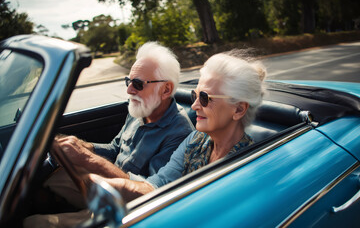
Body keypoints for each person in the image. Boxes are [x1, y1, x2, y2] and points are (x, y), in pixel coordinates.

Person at [23, 42, 194, 228]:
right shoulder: (140, 109)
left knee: (34, 223)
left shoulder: (179, 133)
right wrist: (84, 147)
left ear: (166, 90)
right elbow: (115, 148)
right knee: (39, 179)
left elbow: (145, 191)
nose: (129, 90)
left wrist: (88, 159)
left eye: (137, 84)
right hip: (105, 184)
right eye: (128, 81)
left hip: (128, 207)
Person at [94, 51, 267, 202]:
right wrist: (91, 179)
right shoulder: (195, 140)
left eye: (205, 98)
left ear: (238, 109)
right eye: (195, 95)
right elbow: (157, 186)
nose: (194, 106)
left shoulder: (244, 165)